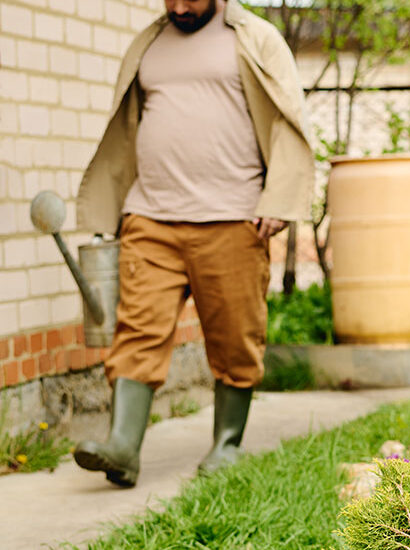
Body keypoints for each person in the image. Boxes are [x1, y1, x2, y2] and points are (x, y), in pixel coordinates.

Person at [72, 0, 314, 487]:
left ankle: (226, 444)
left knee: (235, 335)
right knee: (137, 330)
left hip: (232, 217)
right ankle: (123, 446)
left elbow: (287, 120)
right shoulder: (148, 43)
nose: (180, 7)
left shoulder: (256, 39)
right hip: (150, 217)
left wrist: (279, 199)